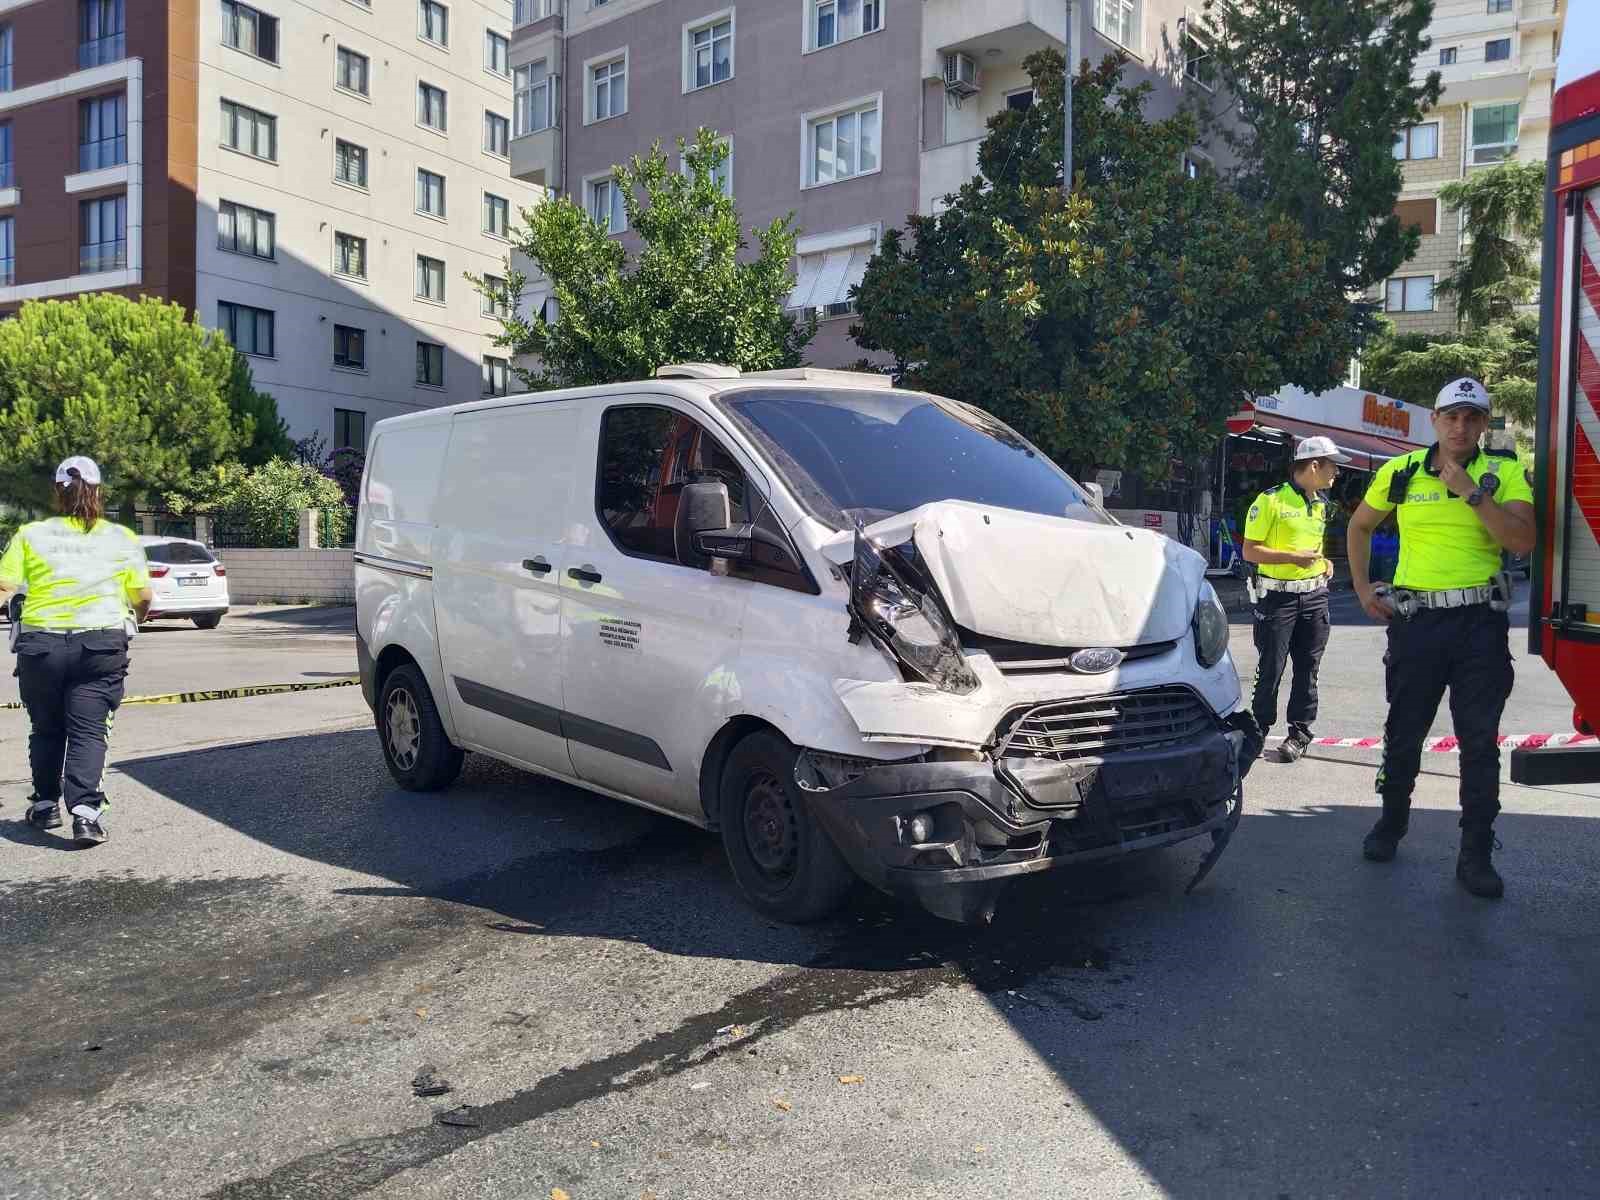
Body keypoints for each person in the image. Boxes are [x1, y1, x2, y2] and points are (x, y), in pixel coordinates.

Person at [1346, 378, 1535, 898]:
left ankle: (1475, 851)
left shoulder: (1503, 472)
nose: (1460, 426)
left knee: (1479, 742)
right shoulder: (1401, 470)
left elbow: (1521, 541)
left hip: (1479, 625)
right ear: (1434, 419)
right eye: (1452, 416)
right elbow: (1359, 527)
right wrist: (1362, 589)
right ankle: (1391, 823)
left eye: (1472, 417)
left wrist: (1471, 494)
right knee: (1403, 730)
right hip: (1418, 625)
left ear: (1483, 424)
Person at [0, 457, 152, 847]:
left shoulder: (31, 534)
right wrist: (137, 615)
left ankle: (46, 803)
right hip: (99, 646)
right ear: (98, 492)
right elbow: (143, 597)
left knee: (46, 729)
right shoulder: (120, 538)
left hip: (41, 647)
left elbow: (4, 588)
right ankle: (85, 815)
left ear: (58, 492)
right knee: (89, 731)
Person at [1240, 436, 1349, 765]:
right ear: (1314, 465)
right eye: (1333, 465)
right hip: (1277, 599)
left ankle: (1299, 734)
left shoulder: (1320, 504)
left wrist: (1323, 562)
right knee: (1271, 667)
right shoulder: (1271, 501)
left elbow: (1311, 547)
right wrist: (1292, 557)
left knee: (1308, 668)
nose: (1337, 472)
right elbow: (1249, 550)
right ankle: (1257, 730)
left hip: (1315, 597)